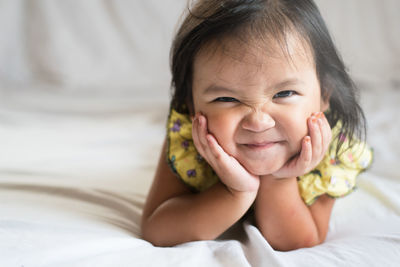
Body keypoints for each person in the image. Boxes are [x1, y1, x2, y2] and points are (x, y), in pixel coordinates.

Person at [141, 0, 373, 251]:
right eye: (226, 99)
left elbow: (300, 241)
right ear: (190, 104)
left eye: (284, 93)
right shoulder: (190, 141)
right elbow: (157, 230)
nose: (259, 121)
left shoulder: (332, 153)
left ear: (325, 94)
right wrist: (236, 193)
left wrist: (280, 178)